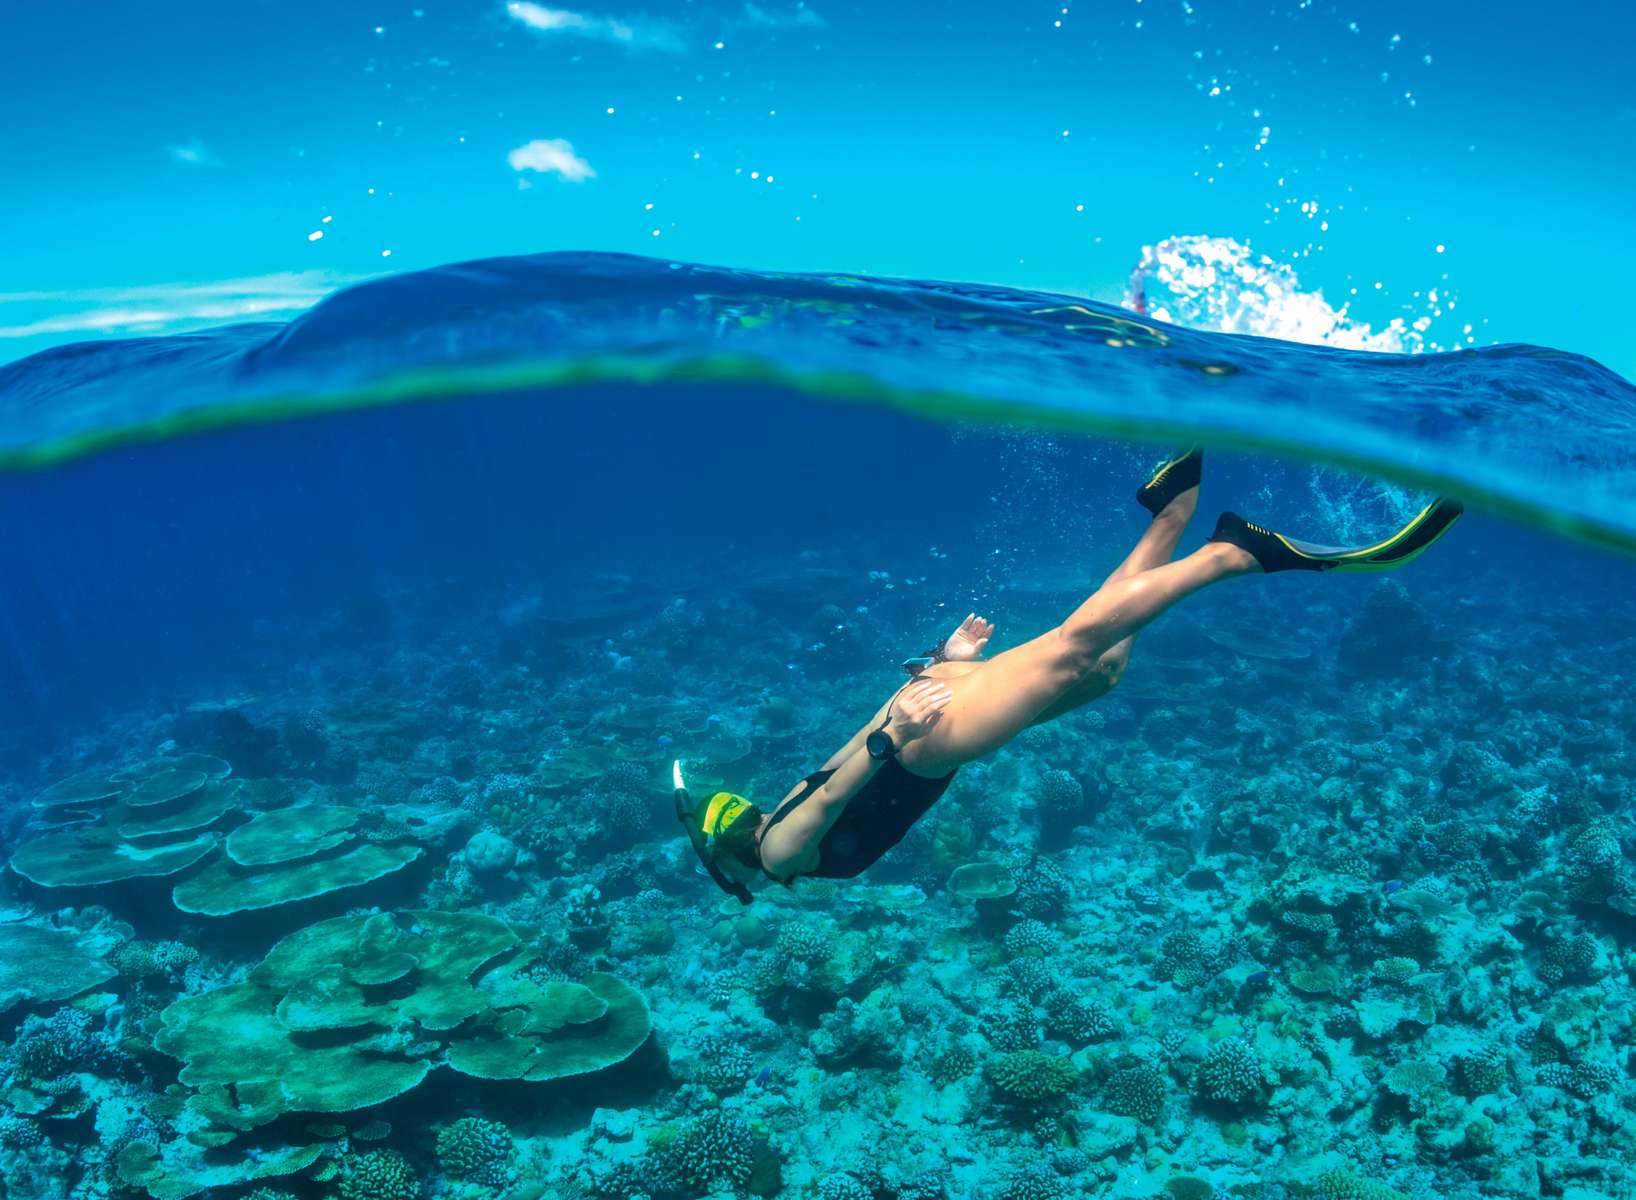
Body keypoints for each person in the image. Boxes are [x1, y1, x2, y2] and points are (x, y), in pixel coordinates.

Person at [674, 450, 1462, 903]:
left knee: (1074, 649)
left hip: (925, 744)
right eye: (715, 807)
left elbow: (842, 781)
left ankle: (1236, 553)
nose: (727, 800)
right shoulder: (776, 842)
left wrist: (902, 723)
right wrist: (926, 689)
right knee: (1100, 674)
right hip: (918, 733)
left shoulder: (777, 844)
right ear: (721, 839)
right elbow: (833, 780)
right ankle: (1171, 513)